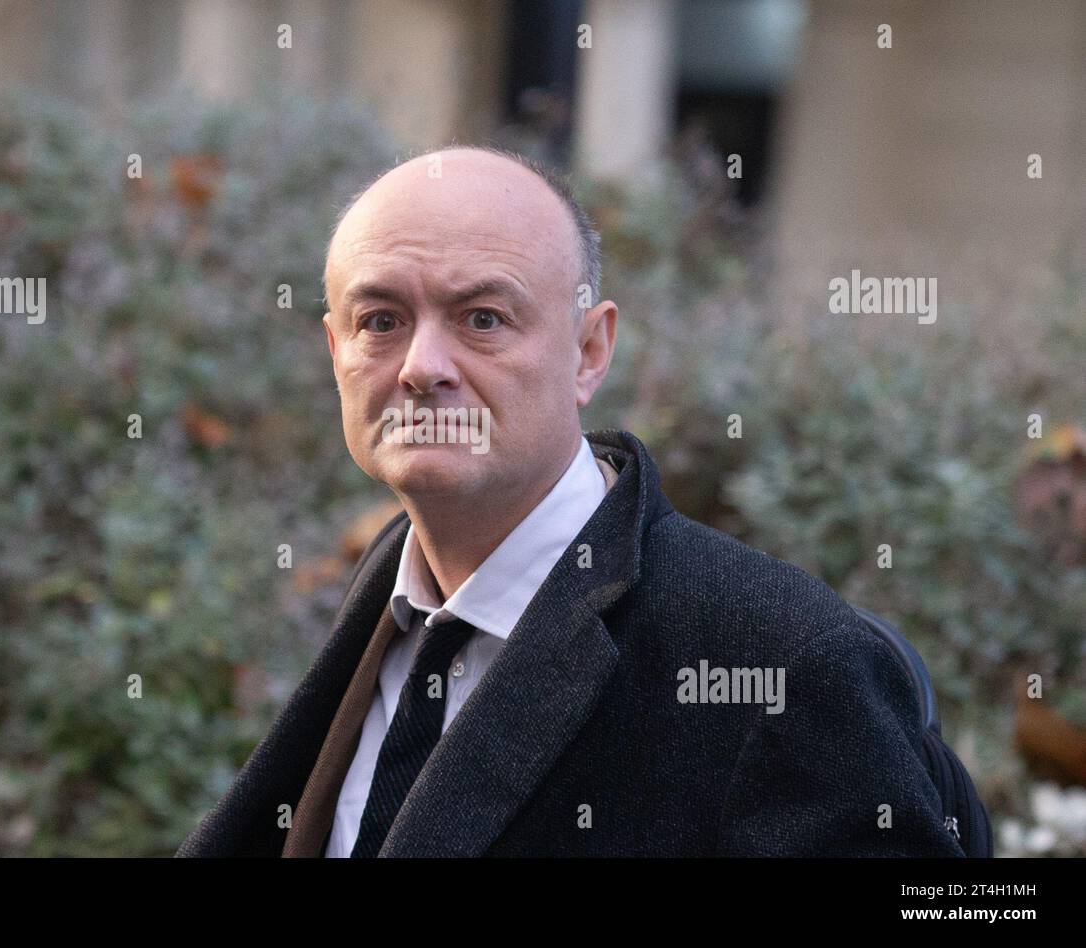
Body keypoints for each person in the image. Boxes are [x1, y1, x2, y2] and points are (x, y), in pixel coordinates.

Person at [177, 146, 965, 857]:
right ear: (335, 353)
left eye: (482, 318)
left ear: (589, 352)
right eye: (380, 321)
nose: (421, 367)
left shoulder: (781, 660)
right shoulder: (392, 595)